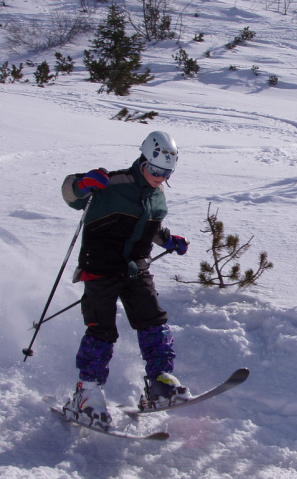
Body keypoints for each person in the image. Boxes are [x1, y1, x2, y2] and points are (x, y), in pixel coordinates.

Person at [60, 131, 191, 430]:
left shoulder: (158, 197)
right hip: (100, 268)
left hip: (136, 269)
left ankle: (160, 383)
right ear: (144, 160)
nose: (160, 177)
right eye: (156, 170)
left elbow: (148, 225)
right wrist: (82, 184)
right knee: (101, 331)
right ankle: (87, 394)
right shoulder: (112, 182)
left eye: (167, 173)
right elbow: (71, 193)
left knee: (154, 323)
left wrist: (169, 240)